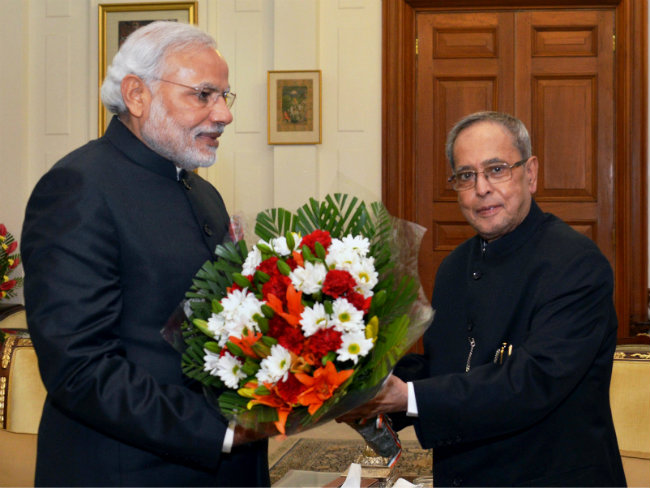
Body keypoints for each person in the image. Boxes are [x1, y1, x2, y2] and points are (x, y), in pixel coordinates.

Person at [21, 21, 269, 487]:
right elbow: (79, 366)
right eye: (203, 94)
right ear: (137, 95)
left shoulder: (202, 193)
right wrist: (219, 430)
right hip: (129, 470)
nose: (224, 115)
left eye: (225, 96)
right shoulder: (78, 187)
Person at [339, 111, 626, 486]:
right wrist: (363, 382)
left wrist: (407, 396)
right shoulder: (454, 266)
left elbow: (530, 382)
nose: (482, 188)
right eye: (466, 175)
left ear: (531, 173)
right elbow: (452, 370)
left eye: (497, 169)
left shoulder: (577, 264)